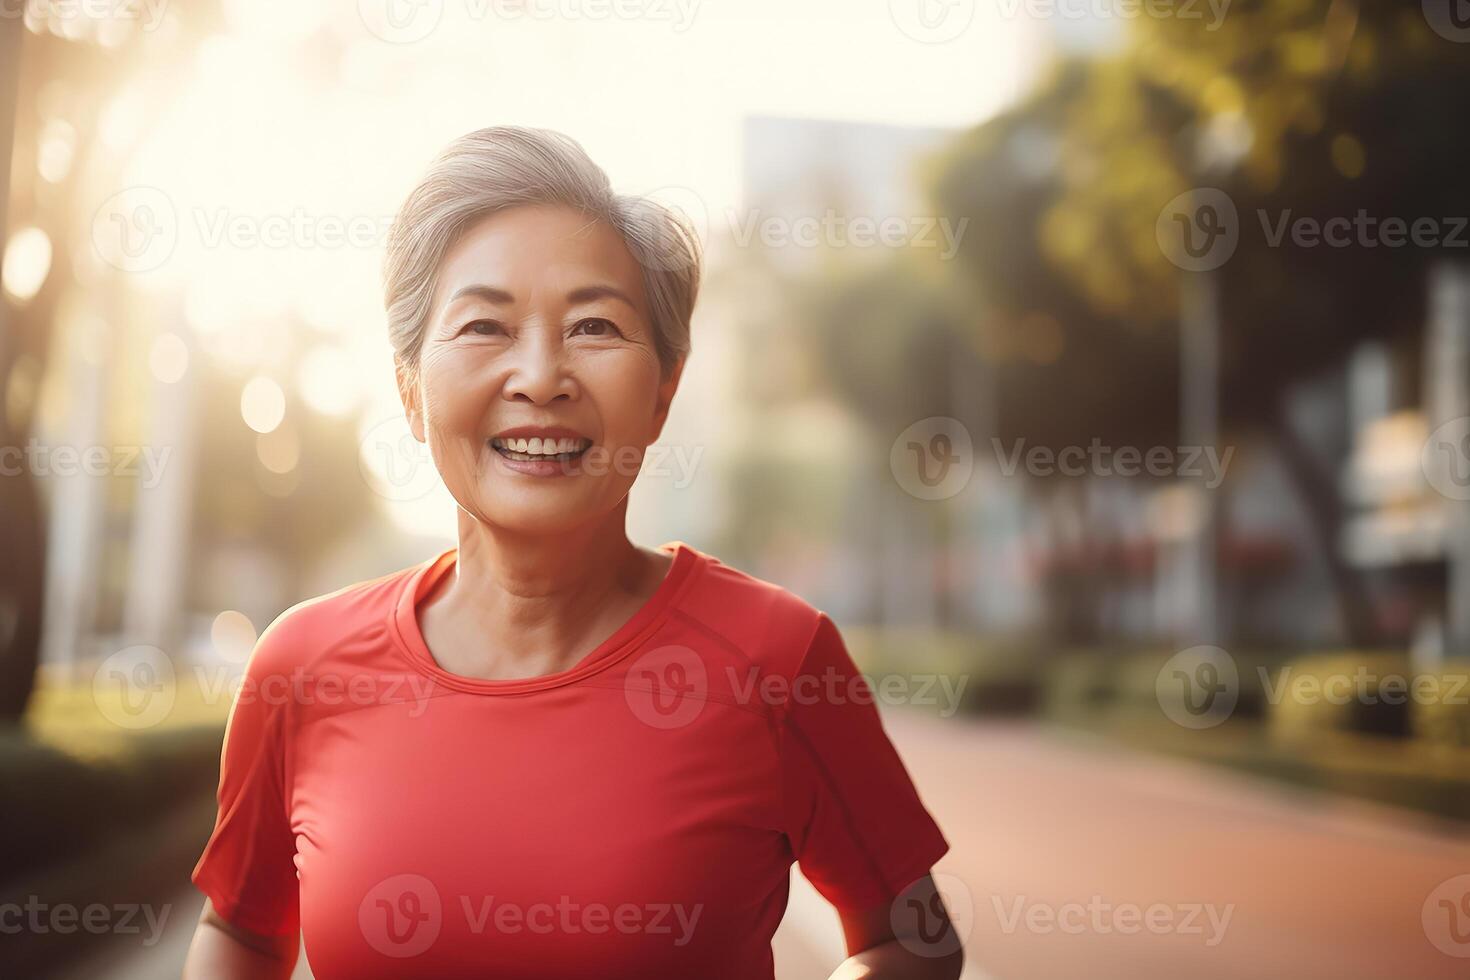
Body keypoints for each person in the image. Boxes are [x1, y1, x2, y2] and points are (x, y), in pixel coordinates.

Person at [182, 126, 961, 980]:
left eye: (594, 326)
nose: (541, 376)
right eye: (486, 325)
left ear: (664, 388)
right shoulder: (304, 665)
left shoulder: (780, 658)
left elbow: (913, 942)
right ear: (410, 391)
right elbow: (243, 934)